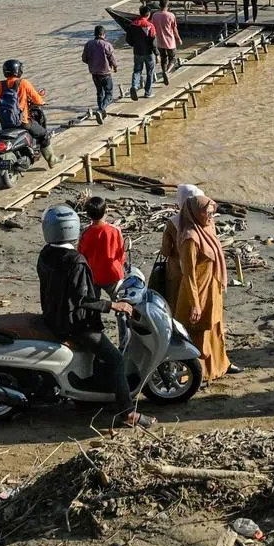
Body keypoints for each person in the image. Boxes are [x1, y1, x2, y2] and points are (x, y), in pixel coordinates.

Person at [36, 205, 153, 429]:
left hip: (53, 316)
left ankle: (86, 397)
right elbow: (83, 300)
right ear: (73, 228)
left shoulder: (46, 254)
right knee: (115, 359)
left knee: (99, 354)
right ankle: (127, 413)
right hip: (74, 324)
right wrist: (113, 305)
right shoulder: (75, 261)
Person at [174, 195, 231, 383]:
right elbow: (189, 274)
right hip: (197, 292)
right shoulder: (190, 238)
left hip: (211, 289)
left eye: (212, 212)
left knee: (214, 329)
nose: (210, 216)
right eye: (207, 212)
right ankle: (196, 374)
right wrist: (195, 303)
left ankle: (218, 367)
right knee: (197, 332)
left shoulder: (207, 228)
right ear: (194, 213)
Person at [78, 196, 128, 342]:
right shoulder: (115, 231)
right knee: (122, 308)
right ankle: (124, 339)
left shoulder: (86, 233)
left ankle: (95, 335)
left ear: (88, 214)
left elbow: (81, 255)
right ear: (106, 212)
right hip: (113, 274)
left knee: (93, 307)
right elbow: (120, 254)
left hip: (93, 276)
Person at [0, 60, 56, 167]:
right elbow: (37, 99)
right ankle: (52, 159)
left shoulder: (0, 84)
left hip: (6, 123)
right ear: (18, 71)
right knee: (43, 134)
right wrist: (42, 102)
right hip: (22, 121)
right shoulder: (24, 83)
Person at [159, 183, 203, 312]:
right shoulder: (203, 220)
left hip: (177, 268)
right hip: (198, 267)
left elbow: (166, 251)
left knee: (176, 300)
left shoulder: (173, 222)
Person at [82, 26, 119, 124]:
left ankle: (101, 111)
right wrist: (115, 67)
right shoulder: (107, 45)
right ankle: (101, 109)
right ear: (103, 34)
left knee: (99, 92)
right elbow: (112, 58)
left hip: (94, 73)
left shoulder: (88, 44)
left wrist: (93, 63)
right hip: (105, 73)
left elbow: (84, 59)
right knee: (109, 94)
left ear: (95, 34)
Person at [127, 6, 157, 101]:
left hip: (137, 52)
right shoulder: (150, 26)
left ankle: (134, 86)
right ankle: (148, 92)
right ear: (148, 14)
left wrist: (134, 45)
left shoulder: (132, 24)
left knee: (137, 71)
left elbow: (128, 39)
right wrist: (156, 53)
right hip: (148, 53)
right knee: (150, 72)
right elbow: (153, 42)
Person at [150, 0, 180, 84]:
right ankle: (167, 72)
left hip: (159, 41)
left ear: (159, 5)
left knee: (163, 59)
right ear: (168, 5)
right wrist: (178, 38)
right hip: (170, 41)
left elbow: (152, 27)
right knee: (173, 58)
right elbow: (174, 29)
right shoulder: (171, 15)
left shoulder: (155, 15)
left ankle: (164, 72)